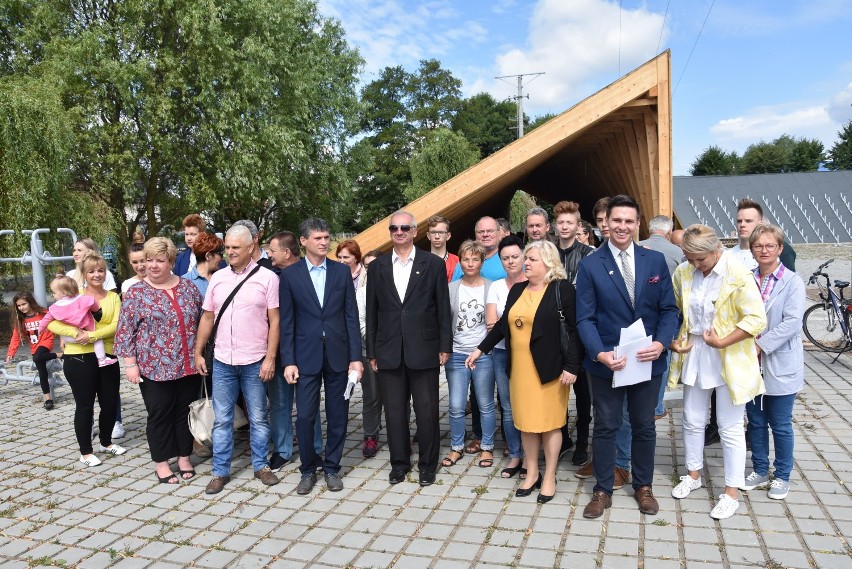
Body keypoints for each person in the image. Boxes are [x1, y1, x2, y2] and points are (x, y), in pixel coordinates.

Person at [576, 194, 679, 519]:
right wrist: (600, 353)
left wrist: (662, 343)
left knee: (644, 426)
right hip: (608, 364)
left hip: (648, 361)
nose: (621, 226)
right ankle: (602, 489)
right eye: (615, 220)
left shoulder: (654, 262)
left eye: (628, 221)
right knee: (606, 426)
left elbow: (669, 310)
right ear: (606, 224)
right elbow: (585, 318)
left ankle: (644, 486)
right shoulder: (591, 264)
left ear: (637, 225)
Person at [467, 240, 583, 503]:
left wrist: (572, 366)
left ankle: (550, 476)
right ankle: (531, 472)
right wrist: (480, 349)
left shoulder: (561, 289)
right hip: (519, 369)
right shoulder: (518, 289)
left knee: (550, 424)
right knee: (527, 424)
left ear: (548, 263)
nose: (525, 263)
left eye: (531, 259)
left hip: (550, 370)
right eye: (526, 258)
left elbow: (574, 332)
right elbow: (501, 326)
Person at [667, 224, 767, 520]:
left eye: (701, 259)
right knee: (692, 418)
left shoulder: (737, 273)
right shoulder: (684, 272)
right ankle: (693, 474)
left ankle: (731, 491)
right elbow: (674, 309)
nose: (696, 265)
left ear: (717, 250)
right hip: (696, 350)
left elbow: (757, 319)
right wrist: (675, 338)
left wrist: (722, 340)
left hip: (729, 356)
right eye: (690, 259)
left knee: (730, 425)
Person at [366, 210, 452, 487]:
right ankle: (399, 463)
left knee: (427, 411)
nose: (399, 232)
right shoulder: (377, 267)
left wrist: (444, 345)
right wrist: (372, 351)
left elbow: (442, 309)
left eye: (405, 227)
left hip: (424, 349)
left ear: (415, 231)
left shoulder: (432, 264)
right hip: (389, 350)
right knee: (394, 412)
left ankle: (428, 465)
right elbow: (371, 312)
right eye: (394, 228)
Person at [194, 224, 281, 494]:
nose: (230, 252)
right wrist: (197, 351)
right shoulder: (217, 279)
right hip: (222, 361)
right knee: (222, 419)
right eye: (227, 247)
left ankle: (261, 466)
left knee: (258, 417)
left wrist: (270, 357)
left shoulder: (268, 278)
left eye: (235, 248)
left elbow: (275, 321)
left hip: (255, 359)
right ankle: (220, 471)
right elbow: (208, 317)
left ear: (250, 247)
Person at [280, 218, 362, 495]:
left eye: (326, 237)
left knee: (338, 414)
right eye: (318, 238)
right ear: (303, 241)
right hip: (305, 357)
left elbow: (351, 316)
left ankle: (332, 468)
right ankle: (307, 470)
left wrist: (356, 358)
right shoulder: (290, 276)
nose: (324, 242)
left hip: (339, 355)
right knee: (304, 416)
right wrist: (288, 360)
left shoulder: (341, 273)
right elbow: (287, 323)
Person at [114, 237, 204, 484]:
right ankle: (162, 462)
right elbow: (125, 331)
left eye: (159, 260)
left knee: (184, 412)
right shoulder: (136, 292)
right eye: (148, 260)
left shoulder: (188, 288)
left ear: (172, 262)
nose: (152, 265)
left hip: (187, 365)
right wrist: (130, 364)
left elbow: (202, 321)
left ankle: (184, 456)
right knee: (160, 413)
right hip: (154, 368)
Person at [741, 224, 805, 500]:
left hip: (779, 362)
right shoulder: (746, 279)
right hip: (750, 364)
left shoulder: (793, 282)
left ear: (780, 248)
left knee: (780, 423)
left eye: (770, 245)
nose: (764, 250)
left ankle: (782, 475)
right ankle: (759, 469)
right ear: (752, 250)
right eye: (758, 246)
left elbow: (792, 322)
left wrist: (759, 345)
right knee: (755, 421)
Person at [47, 253, 125, 466]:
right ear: (83, 273)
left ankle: (106, 443)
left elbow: (117, 325)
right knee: (85, 406)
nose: (97, 274)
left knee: (109, 403)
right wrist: (75, 333)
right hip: (78, 357)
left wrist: (91, 335)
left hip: (107, 355)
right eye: (91, 271)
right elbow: (51, 322)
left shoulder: (113, 297)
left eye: (100, 270)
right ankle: (86, 452)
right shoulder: (73, 295)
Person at [265, 231, 323, 470]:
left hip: (307, 350)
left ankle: (315, 449)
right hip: (277, 351)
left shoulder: (312, 274)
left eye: (273, 250)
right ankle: (282, 450)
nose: (269, 255)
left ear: (287, 252)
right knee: (280, 403)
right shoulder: (268, 275)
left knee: (309, 405)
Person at [443, 240, 496, 471]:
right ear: (460, 261)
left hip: (483, 353)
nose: (470, 263)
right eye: (466, 259)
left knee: (485, 403)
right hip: (456, 353)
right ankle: (456, 446)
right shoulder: (451, 288)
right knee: (455, 404)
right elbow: (444, 322)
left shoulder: (490, 287)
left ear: (482, 262)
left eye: (475, 259)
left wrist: (483, 349)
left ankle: (487, 445)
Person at [552, 201, 595, 465]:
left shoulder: (589, 254)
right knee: (555, 393)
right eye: (561, 222)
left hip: (580, 329)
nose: (565, 226)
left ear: (578, 226)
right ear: (555, 226)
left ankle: (581, 442)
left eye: (570, 222)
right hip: (554, 331)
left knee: (583, 395)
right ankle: (561, 438)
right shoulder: (548, 252)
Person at [484, 236, 526, 477]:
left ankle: (531, 455)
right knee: (508, 406)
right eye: (505, 258)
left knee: (527, 404)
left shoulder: (534, 283)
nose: (511, 261)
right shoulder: (497, 287)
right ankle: (515, 454)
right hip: (501, 353)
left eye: (515, 256)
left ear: (523, 256)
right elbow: (491, 325)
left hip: (530, 355)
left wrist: (504, 325)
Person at [638, 214, 685, 420]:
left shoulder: (636, 248)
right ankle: (656, 406)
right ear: (668, 233)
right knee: (662, 356)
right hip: (669, 314)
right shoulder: (677, 252)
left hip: (641, 316)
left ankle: (638, 401)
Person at [41, 276, 118, 368]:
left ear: (63, 292)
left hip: (70, 338)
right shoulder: (82, 299)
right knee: (98, 340)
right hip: (88, 335)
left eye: (54, 292)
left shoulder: (55, 307)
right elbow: (93, 304)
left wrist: (40, 329)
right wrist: (96, 310)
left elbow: (46, 320)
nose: (53, 295)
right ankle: (102, 359)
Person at [6, 292, 60, 409]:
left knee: (36, 358)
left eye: (24, 304)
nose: (22, 307)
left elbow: (59, 320)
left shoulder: (43, 313)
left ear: (30, 302)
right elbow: (16, 337)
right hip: (34, 347)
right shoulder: (21, 320)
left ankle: (60, 355)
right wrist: (11, 352)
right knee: (42, 372)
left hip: (46, 341)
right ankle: (48, 399)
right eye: (19, 306)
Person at [356, 249, 383, 458]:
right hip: (369, 351)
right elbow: (361, 323)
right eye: (367, 266)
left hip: (394, 353)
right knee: (371, 397)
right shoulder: (362, 293)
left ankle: (400, 434)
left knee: (399, 398)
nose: (371, 269)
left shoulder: (394, 288)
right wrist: (377, 342)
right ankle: (370, 435)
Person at [451, 217, 506, 282]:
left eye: (490, 231)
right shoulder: (465, 260)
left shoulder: (509, 259)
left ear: (499, 233)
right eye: (481, 232)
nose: (485, 234)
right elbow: (453, 289)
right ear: (475, 234)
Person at [183, 232, 225, 299]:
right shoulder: (185, 282)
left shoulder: (223, 277)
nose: (222, 258)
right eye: (221, 254)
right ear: (208, 256)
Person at [426, 215, 458, 282]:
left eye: (441, 232)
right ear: (428, 236)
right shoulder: (420, 262)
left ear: (448, 236)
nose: (437, 236)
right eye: (433, 232)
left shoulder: (458, 262)